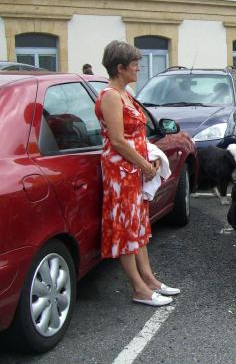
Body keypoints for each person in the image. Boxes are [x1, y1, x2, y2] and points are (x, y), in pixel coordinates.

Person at [95, 40, 180, 306]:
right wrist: (144, 165)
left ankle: (149, 280)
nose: (138, 70)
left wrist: (149, 159)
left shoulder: (124, 93)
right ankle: (139, 289)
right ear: (120, 68)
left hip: (132, 169)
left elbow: (136, 136)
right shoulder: (110, 95)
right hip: (121, 172)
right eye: (134, 65)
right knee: (125, 229)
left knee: (138, 226)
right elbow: (118, 140)